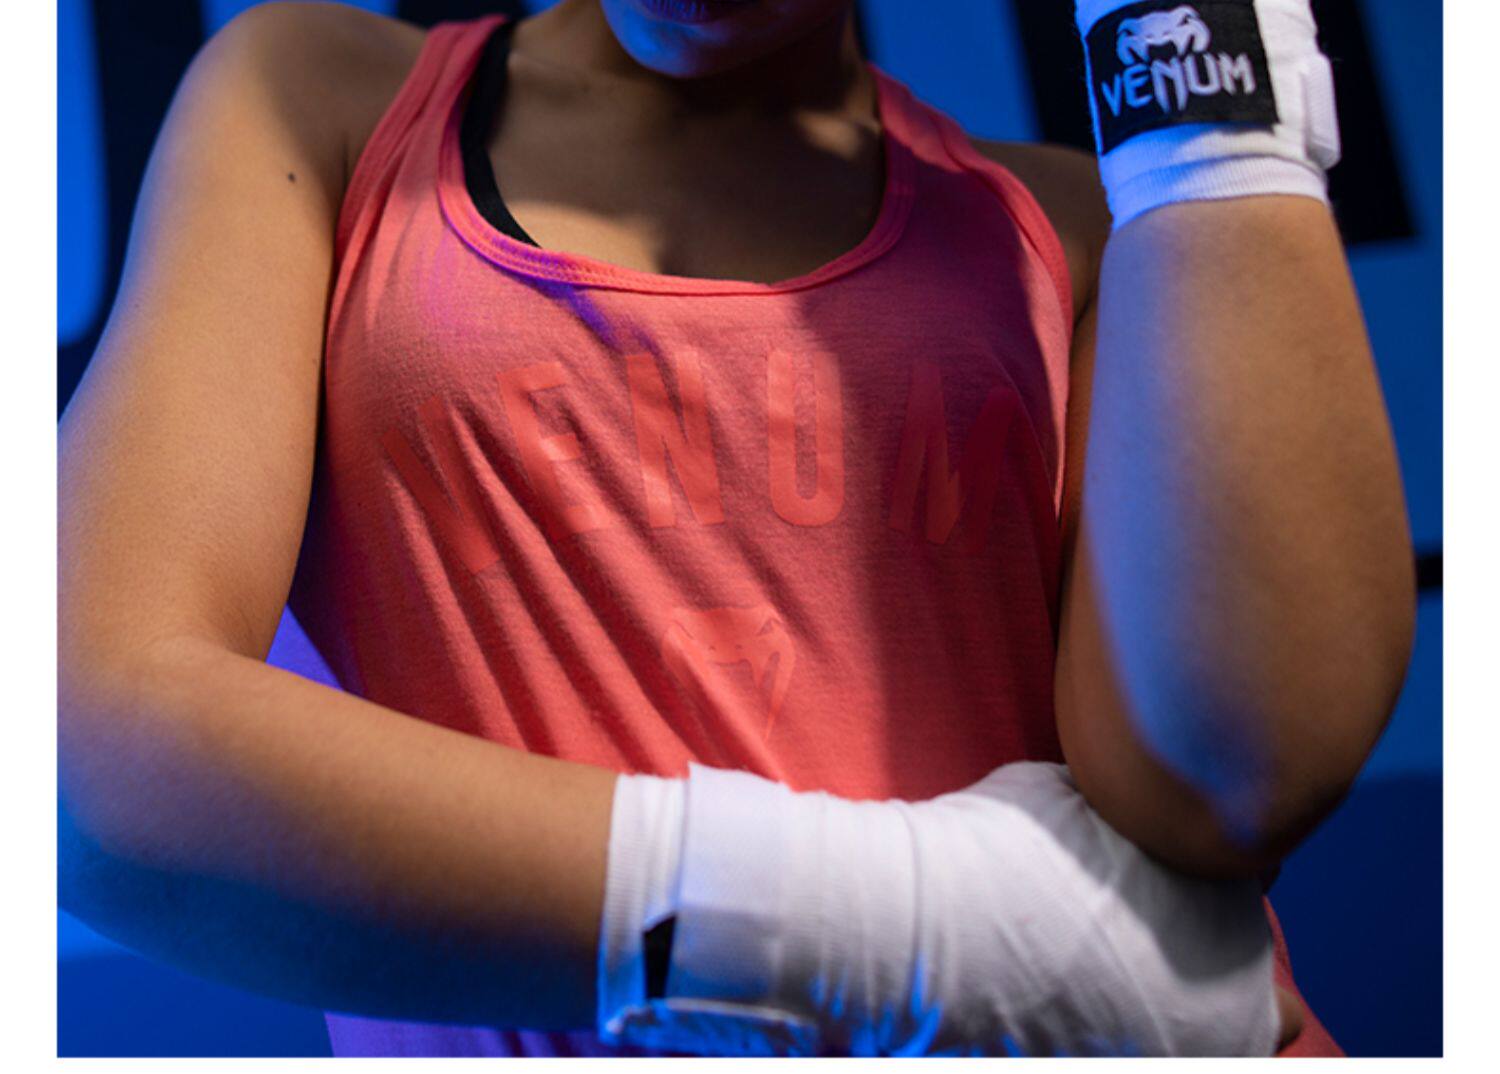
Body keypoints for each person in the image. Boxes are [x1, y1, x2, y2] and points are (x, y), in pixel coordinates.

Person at [57, 0, 1415, 1058]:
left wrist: (1206, 107)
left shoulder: (1072, 231)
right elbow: (89, 762)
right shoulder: (321, 101)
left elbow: (1238, 770)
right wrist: (925, 941)